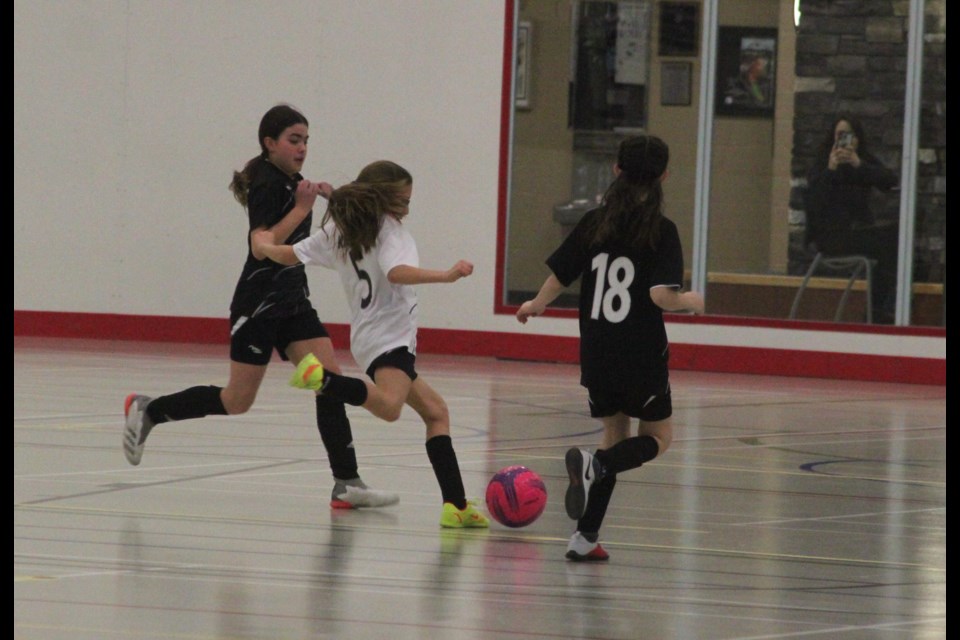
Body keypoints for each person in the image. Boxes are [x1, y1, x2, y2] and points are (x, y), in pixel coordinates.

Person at [122, 104, 398, 510]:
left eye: (306, 140)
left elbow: (307, 242)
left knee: (329, 379)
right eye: (293, 140)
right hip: (258, 306)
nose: (302, 148)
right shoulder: (267, 185)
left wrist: (328, 199)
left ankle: (346, 481)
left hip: (294, 304)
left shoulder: (295, 183)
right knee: (237, 401)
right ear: (270, 144)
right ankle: (150, 410)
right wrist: (303, 209)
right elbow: (262, 245)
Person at [251, 160, 489, 529]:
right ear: (381, 199)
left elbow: (291, 254)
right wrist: (446, 275)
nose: (406, 209)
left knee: (436, 413)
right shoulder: (392, 233)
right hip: (390, 336)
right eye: (402, 201)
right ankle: (324, 380)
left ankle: (456, 505)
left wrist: (264, 246)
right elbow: (397, 272)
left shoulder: (339, 231)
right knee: (391, 408)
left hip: (367, 338)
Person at [516, 134, 703, 561]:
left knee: (613, 436)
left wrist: (536, 304)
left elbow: (561, 275)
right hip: (639, 351)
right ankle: (595, 467)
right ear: (664, 177)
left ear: (616, 170)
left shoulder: (593, 222)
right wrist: (691, 302)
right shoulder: (661, 229)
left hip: (596, 349)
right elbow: (661, 297)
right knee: (658, 437)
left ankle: (584, 538)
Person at [804, 114, 900, 323]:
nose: (845, 140)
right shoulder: (822, 162)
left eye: (850, 135)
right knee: (888, 243)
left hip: (857, 231)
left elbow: (890, 182)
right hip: (831, 236)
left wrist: (859, 164)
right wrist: (831, 168)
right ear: (833, 138)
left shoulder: (862, 160)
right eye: (840, 135)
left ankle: (878, 307)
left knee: (896, 237)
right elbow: (815, 202)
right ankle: (876, 310)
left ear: (857, 138)